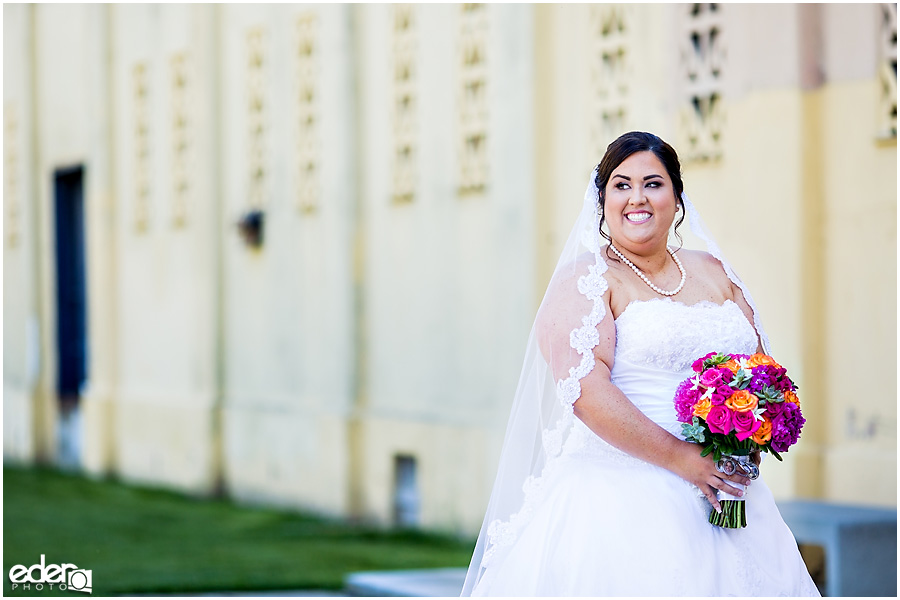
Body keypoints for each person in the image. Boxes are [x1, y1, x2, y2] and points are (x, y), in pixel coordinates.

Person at [461, 132, 819, 596]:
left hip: (728, 489)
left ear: (676, 196)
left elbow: (760, 371)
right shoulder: (586, 281)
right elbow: (585, 391)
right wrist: (682, 459)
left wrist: (749, 431)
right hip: (620, 496)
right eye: (621, 185)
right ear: (603, 199)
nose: (637, 198)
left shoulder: (715, 271)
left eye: (653, 183)